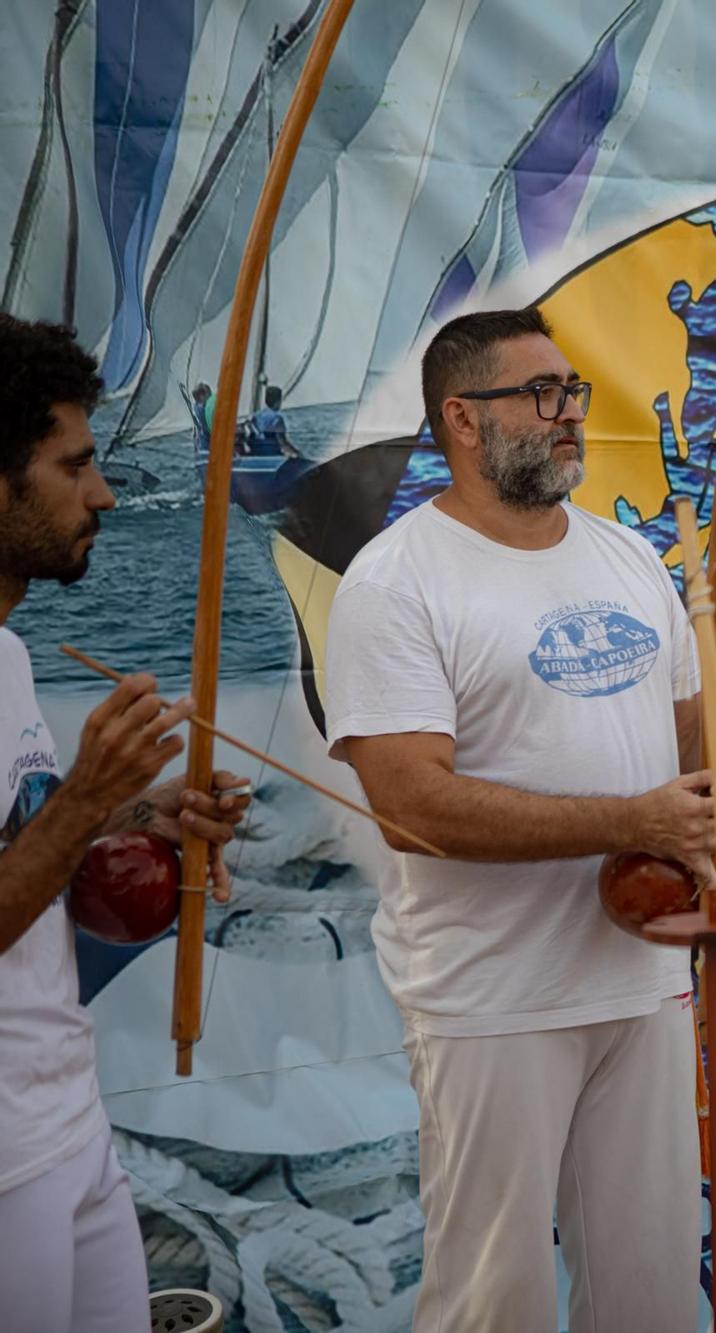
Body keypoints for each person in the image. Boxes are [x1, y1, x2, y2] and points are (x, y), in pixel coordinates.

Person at [323, 307, 716, 1333]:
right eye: (540, 394)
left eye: (573, 392)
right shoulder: (397, 580)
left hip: (642, 980)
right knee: (492, 1298)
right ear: (462, 419)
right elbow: (410, 806)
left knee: (645, 1292)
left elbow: (692, 739)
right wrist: (626, 818)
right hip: (490, 996)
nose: (568, 414)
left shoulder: (623, 556)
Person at [0, 314, 246, 1331]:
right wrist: (95, 797)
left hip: (60, 1114)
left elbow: (24, 846)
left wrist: (141, 814)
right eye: (75, 465)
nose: (104, 493)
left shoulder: (8, 657)